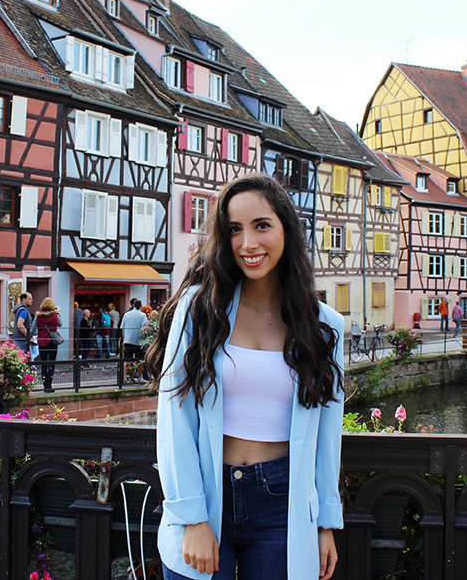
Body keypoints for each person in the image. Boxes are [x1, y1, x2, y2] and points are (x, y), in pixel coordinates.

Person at [146, 174, 343, 580]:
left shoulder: (324, 326)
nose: (248, 243)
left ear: (286, 229)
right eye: (234, 229)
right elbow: (174, 418)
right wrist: (192, 517)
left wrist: (324, 523)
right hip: (206, 488)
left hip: (284, 503)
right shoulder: (199, 310)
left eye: (262, 226)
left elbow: (328, 434)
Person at [36, 298, 61, 392]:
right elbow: (61, 324)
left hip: (41, 341)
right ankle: (49, 384)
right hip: (52, 341)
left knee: (43, 362)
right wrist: (58, 313)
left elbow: (34, 328)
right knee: (51, 362)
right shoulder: (55, 316)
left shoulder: (38, 316)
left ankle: (44, 384)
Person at [121, 299, 147, 382]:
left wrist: (124, 337)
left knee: (126, 360)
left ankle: (124, 377)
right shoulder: (142, 315)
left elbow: (122, 327)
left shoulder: (126, 314)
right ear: (141, 306)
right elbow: (144, 328)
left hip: (127, 340)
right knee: (139, 360)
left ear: (133, 305)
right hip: (138, 341)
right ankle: (140, 377)